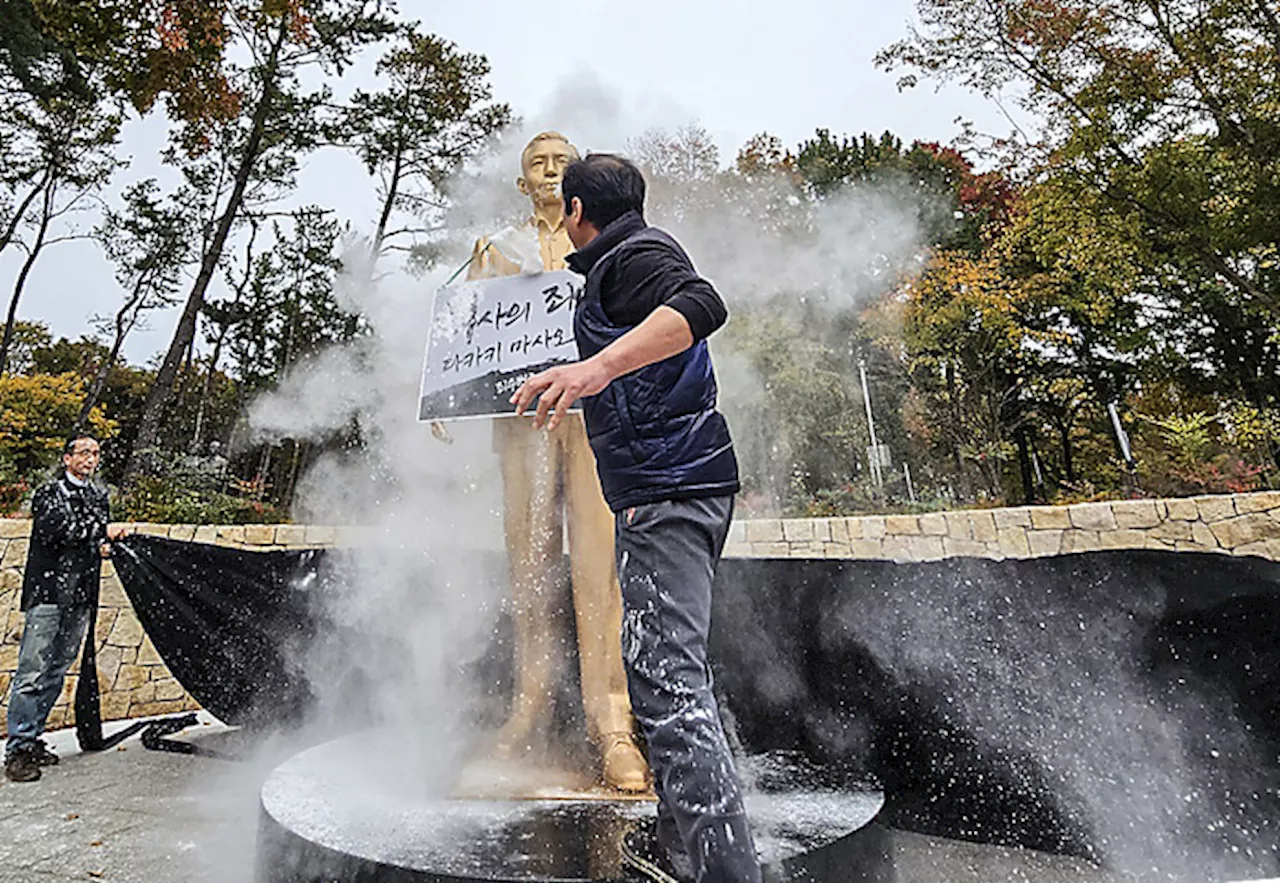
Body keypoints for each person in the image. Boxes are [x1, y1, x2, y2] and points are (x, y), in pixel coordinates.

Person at [512, 154, 761, 883]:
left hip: (670, 489)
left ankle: (723, 873)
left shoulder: (635, 254)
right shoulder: (609, 269)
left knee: (669, 684)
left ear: (576, 208)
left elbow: (702, 303)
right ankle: (688, 858)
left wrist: (593, 371)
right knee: (660, 680)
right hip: (667, 490)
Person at [469, 131, 648, 793]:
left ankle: (612, 721)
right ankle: (528, 705)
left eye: (558, 162)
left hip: (593, 419)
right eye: (535, 164)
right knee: (528, 568)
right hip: (521, 425)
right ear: (522, 183)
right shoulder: (494, 250)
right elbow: (463, 340)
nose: (548, 171)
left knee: (602, 573)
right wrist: (440, 398)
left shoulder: (608, 244)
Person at [5, 436, 126, 783]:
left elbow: (92, 541)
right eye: (84, 453)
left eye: (96, 454)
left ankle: (33, 738)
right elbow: (60, 530)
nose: (91, 459)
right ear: (67, 458)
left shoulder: (98, 496)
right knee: (32, 671)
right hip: (47, 594)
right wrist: (101, 532)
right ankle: (18, 749)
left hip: (79, 596)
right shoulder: (49, 494)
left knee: (57, 669)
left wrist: (104, 546)